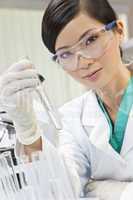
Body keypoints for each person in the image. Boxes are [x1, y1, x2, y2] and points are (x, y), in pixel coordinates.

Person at [0, 0, 133, 199]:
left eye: (90, 40)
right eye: (66, 54)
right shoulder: (71, 117)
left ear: (119, 30)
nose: (83, 62)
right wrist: (29, 133)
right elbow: (62, 191)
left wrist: (110, 191)